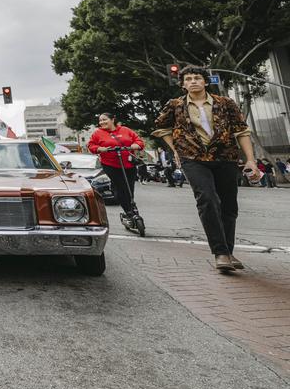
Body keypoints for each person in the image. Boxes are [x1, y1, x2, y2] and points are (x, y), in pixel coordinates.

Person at [152, 66, 262, 272]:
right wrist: (176, 149)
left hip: (226, 158)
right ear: (183, 84)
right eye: (188, 79)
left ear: (205, 81)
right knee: (207, 199)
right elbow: (160, 127)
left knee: (229, 206)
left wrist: (251, 160)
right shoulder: (175, 105)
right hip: (193, 158)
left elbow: (241, 131)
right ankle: (220, 252)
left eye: (197, 78)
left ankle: (228, 252)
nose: (193, 81)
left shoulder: (225, 103)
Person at [87, 113, 145, 224]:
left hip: (128, 164)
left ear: (113, 119)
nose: (102, 122)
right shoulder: (97, 133)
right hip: (110, 165)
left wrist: (136, 145)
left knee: (129, 187)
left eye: (105, 120)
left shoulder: (125, 130)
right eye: (100, 121)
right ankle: (129, 211)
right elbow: (91, 146)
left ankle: (131, 208)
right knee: (121, 187)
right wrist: (100, 148)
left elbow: (139, 141)